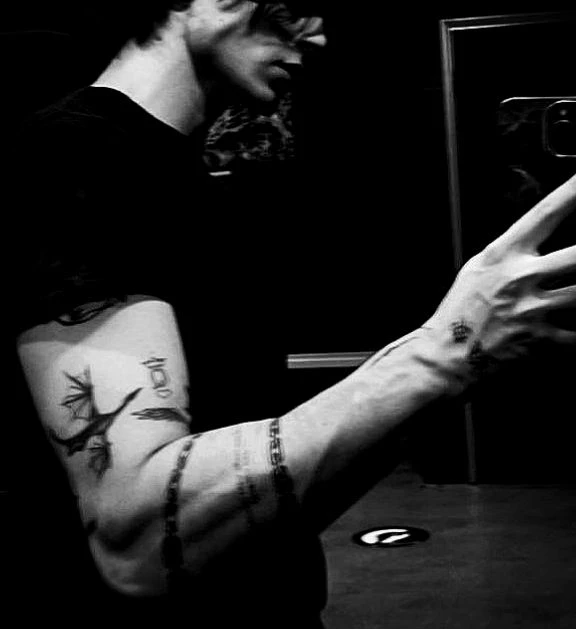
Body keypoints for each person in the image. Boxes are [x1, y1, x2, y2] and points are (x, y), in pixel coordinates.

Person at [12, 1, 576, 627]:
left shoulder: (174, 171)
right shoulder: (74, 157)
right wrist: (445, 353)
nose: (320, 36)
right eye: (296, 6)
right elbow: (140, 535)